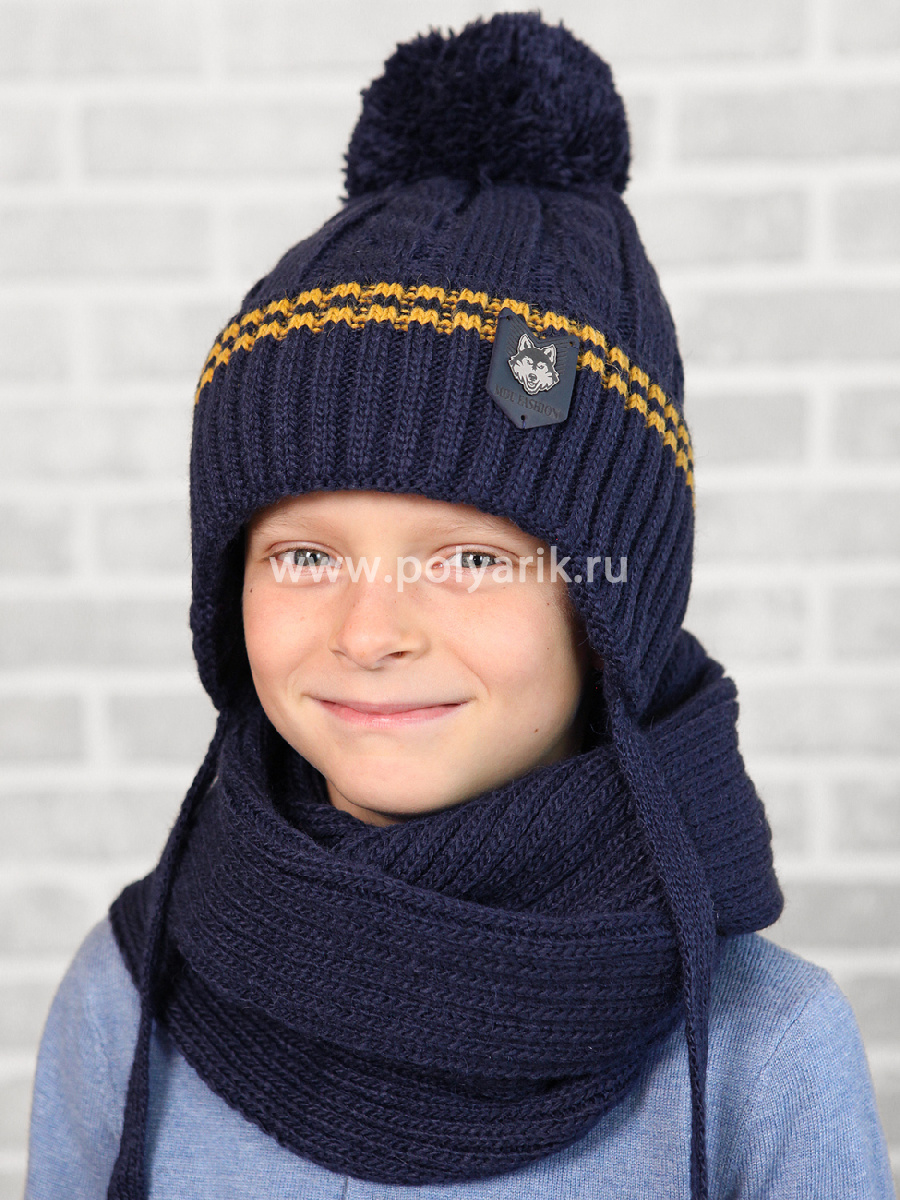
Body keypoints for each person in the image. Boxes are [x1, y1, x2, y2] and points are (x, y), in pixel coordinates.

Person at [23, 13, 895, 1200]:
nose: (370, 631)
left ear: (610, 614)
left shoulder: (761, 1057)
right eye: (303, 556)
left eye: (473, 561)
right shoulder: (126, 1000)